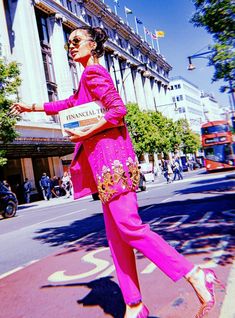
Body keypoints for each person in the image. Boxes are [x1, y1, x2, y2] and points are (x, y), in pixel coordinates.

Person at [10, 26, 223, 318]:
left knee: (130, 228)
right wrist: (30, 106)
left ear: (92, 45)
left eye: (75, 41)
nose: (70, 46)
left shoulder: (95, 73)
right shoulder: (86, 78)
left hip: (113, 162)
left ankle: (196, 274)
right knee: (116, 237)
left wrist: (87, 129)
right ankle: (134, 305)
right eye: (67, 44)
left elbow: (117, 111)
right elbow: (69, 104)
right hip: (103, 165)